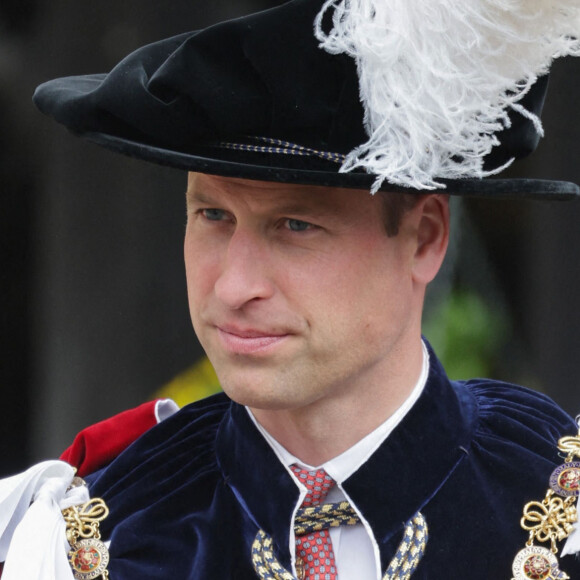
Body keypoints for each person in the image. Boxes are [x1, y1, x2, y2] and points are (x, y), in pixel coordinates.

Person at [2, 0, 580, 579]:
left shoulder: (559, 510)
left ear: (424, 239)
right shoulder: (92, 541)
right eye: (212, 215)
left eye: (296, 225)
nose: (234, 286)